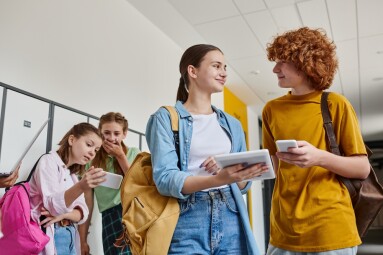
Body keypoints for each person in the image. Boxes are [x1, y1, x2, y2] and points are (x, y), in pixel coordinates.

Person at [146, 44, 266, 255]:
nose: (224, 73)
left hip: (231, 213)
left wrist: (235, 171)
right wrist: (217, 179)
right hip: (187, 217)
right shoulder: (165, 118)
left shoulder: (232, 124)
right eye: (216, 66)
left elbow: (243, 186)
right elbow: (165, 179)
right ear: (192, 71)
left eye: (225, 67)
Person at [262, 27, 370, 255]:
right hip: (283, 230)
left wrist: (319, 157)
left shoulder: (335, 104)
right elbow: (272, 165)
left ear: (304, 62)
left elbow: (362, 168)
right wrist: (240, 168)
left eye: (282, 61)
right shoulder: (271, 110)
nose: (275, 69)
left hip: (330, 228)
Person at [29, 122, 107, 255]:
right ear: (72, 140)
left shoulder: (73, 176)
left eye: (96, 150)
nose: (92, 153)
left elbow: (83, 214)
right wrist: (81, 187)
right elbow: (52, 206)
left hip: (69, 236)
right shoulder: (48, 161)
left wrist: (64, 215)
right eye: (89, 145)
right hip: (51, 235)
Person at [79, 112, 140, 255]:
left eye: (117, 133)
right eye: (107, 133)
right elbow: (87, 203)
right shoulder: (91, 160)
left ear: (124, 134)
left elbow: (138, 184)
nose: (112, 138)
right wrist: (82, 240)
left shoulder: (134, 153)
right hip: (109, 217)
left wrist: (120, 156)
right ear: (100, 133)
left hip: (133, 214)